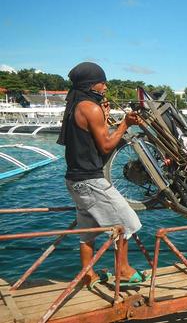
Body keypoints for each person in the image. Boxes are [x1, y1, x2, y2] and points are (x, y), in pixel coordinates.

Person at [57, 62, 144, 288]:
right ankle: (123, 270)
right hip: (90, 181)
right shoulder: (90, 107)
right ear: (90, 84)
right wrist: (125, 124)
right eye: (102, 82)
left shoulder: (76, 104)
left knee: (89, 232)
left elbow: (91, 142)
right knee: (127, 222)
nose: (105, 86)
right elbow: (105, 146)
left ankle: (88, 275)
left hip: (74, 180)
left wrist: (105, 118)